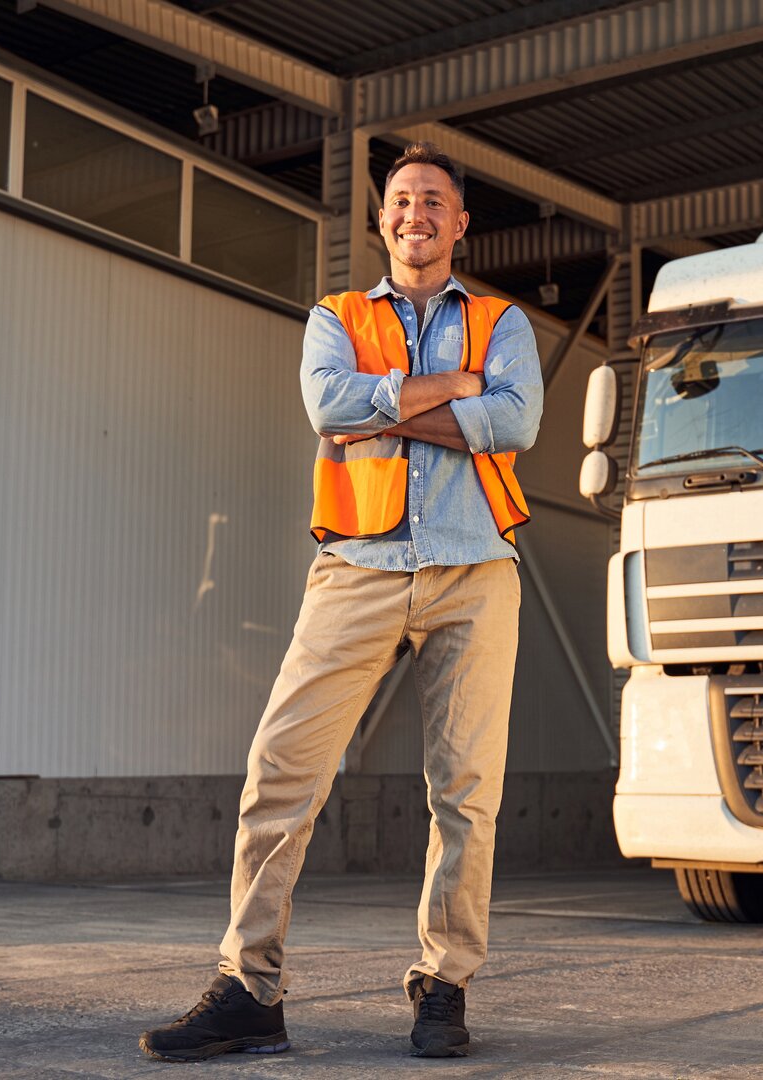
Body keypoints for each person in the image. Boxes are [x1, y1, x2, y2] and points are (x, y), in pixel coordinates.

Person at [139, 143, 542, 1062]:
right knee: (280, 771)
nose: (417, 215)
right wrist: (451, 392)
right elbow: (329, 404)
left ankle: (445, 987)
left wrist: (387, 403)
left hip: (474, 569)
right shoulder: (338, 314)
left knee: (466, 794)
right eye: (402, 201)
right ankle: (250, 988)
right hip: (357, 567)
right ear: (383, 219)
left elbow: (516, 420)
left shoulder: (502, 318)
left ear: (460, 222)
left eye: (435, 202)